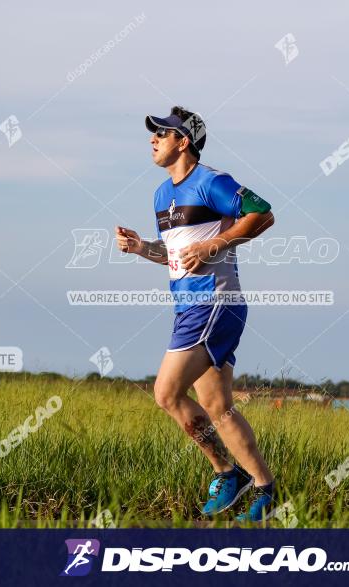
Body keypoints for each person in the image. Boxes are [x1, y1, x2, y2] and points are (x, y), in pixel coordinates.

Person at [115, 106, 277, 521]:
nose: (153, 139)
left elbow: (263, 213)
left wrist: (216, 245)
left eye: (162, 134)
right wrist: (141, 248)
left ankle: (226, 472)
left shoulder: (212, 182)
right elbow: (174, 256)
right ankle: (264, 489)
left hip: (214, 303)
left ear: (183, 141)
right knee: (218, 406)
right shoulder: (159, 195)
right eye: (153, 134)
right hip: (189, 307)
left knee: (166, 393)